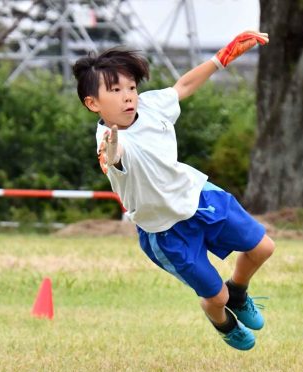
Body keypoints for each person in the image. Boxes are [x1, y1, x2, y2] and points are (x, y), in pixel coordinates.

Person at [72, 31, 274, 351]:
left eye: (131, 87)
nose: (128, 96)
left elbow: (184, 86)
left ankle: (239, 291)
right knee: (214, 298)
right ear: (93, 103)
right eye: (115, 90)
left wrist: (222, 57)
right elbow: (111, 158)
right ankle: (223, 321)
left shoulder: (151, 106)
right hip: (165, 231)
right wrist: (109, 151)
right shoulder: (110, 140)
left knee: (263, 248)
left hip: (199, 196)